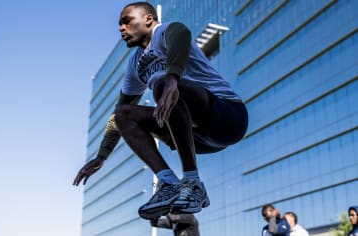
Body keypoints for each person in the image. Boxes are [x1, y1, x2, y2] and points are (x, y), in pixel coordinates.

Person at [73, 2, 248, 220]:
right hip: (199, 139)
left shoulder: (165, 32)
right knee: (123, 115)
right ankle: (169, 183)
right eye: (119, 25)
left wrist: (173, 80)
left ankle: (192, 182)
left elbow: (182, 34)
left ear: (147, 19)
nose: (121, 28)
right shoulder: (135, 64)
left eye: (127, 21)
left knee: (161, 84)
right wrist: (101, 156)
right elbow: (118, 114)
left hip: (228, 116)